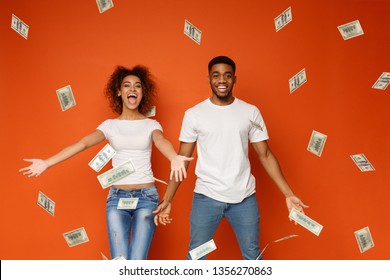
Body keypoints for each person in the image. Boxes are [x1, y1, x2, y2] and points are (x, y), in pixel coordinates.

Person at [19, 65, 192, 260]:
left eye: (137, 86)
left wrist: (174, 157)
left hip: (146, 198)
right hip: (117, 198)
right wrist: (47, 163)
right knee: (119, 262)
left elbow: (161, 141)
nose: (132, 89)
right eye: (127, 85)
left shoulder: (151, 125)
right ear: (119, 92)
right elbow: (82, 144)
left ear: (143, 93)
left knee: (137, 263)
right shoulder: (109, 126)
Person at [154, 56, 308, 260]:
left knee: (253, 257)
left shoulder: (250, 112)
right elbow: (182, 159)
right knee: (196, 257)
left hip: (244, 198)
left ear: (234, 79)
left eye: (227, 76)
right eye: (216, 75)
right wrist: (168, 198)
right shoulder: (194, 114)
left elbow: (265, 154)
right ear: (208, 79)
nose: (222, 80)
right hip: (206, 197)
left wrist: (288, 194)